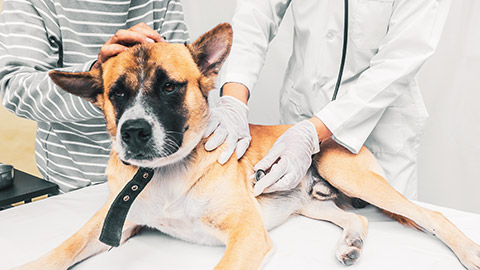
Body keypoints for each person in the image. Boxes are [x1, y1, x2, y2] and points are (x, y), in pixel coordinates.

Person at [204, 0, 452, 199]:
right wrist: (233, 102)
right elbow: (255, 14)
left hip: (378, 133)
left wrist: (313, 132)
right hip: (299, 115)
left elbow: (401, 59)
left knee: (388, 242)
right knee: (304, 242)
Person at [0, 0, 189, 192]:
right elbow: (15, 90)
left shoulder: (162, 3)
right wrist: (97, 79)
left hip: (164, 177)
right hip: (77, 183)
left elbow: (182, 80)